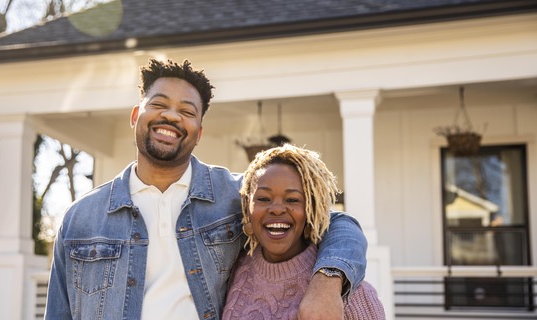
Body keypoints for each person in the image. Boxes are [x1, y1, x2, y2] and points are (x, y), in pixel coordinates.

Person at [44, 59, 368, 320]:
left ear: (198, 133)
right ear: (135, 116)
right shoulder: (80, 219)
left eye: (187, 111)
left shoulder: (235, 194)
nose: (171, 116)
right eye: (159, 104)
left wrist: (327, 281)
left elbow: (336, 222)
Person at [222, 145, 385, 320]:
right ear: (247, 207)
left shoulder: (347, 294)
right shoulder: (231, 270)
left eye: (292, 199)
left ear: (311, 211)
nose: (277, 209)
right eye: (263, 198)